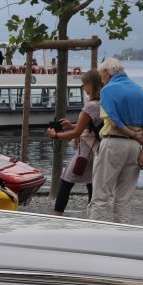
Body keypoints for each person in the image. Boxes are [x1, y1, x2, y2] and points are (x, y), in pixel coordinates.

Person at [87, 57, 143, 224]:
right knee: (124, 199)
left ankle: (94, 234)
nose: (102, 80)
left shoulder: (108, 90)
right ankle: (121, 233)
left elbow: (114, 122)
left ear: (107, 73)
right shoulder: (139, 90)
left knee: (100, 197)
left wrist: (132, 134)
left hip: (113, 143)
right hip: (135, 148)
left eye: (102, 76)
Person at [50, 69, 103, 215]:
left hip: (85, 152)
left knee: (66, 181)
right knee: (91, 182)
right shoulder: (103, 103)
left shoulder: (90, 106)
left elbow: (77, 133)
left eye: (83, 84)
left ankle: (57, 215)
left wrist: (55, 135)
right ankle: (93, 216)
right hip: (97, 150)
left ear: (90, 85)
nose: (83, 88)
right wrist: (71, 124)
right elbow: (90, 126)